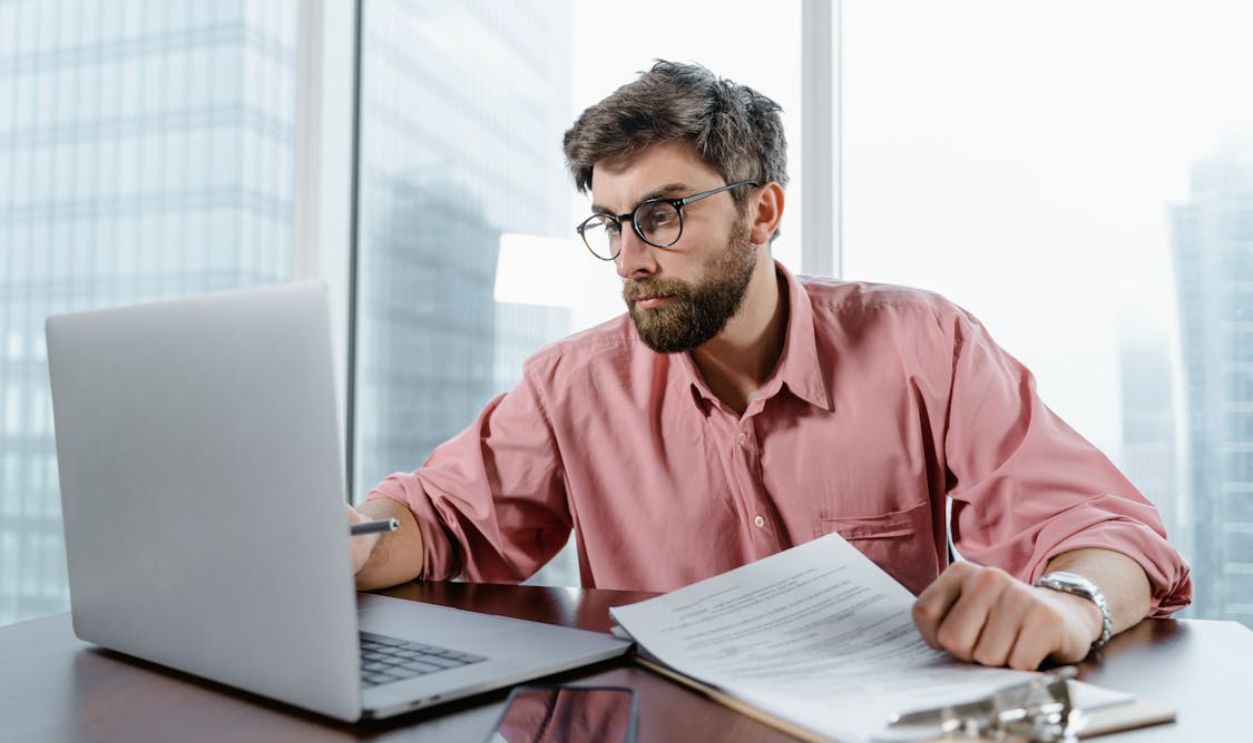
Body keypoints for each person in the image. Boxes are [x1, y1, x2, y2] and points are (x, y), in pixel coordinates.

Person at [347, 61, 1191, 671]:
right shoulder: (572, 384)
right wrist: (335, 540)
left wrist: (1068, 603)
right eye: (610, 222)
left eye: (661, 214)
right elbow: (434, 519)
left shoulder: (922, 344)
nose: (628, 257)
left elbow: (1103, 528)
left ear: (762, 210)